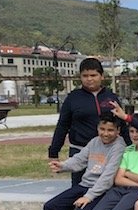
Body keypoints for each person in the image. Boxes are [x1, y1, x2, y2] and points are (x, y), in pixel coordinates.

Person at [43, 112, 125, 210]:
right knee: (50, 207)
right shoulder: (94, 142)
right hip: (85, 185)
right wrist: (62, 166)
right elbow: (79, 159)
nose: (105, 134)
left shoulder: (119, 146)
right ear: (97, 128)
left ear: (118, 131)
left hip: (103, 190)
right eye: (102, 129)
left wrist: (89, 196)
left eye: (110, 130)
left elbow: (108, 177)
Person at [48, 57, 123, 186]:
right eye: (85, 76)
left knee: (107, 188)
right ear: (80, 77)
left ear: (102, 76)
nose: (89, 79)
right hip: (80, 150)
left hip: (108, 152)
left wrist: (129, 149)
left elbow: (122, 124)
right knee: (79, 189)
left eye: (93, 75)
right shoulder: (73, 98)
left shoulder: (111, 97)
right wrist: (54, 151)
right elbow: (62, 126)